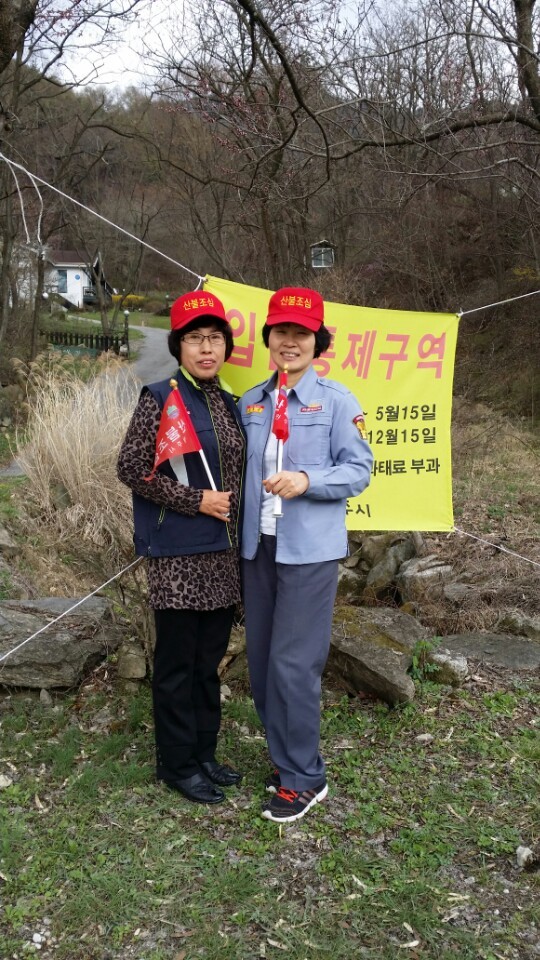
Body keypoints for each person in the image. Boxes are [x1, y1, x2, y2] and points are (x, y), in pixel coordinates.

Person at [238, 286, 373, 823]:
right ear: (268, 337)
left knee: (293, 666)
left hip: (308, 552)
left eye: (301, 333)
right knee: (261, 663)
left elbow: (358, 470)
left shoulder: (337, 401)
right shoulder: (253, 401)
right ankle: (285, 760)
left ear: (318, 342)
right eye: (281, 332)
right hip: (258, 547)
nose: (289, 342)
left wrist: (307, 480)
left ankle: (305, 777)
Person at [117, 291, 245, 805]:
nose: (206, 349)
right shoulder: (159, 397)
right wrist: (196, 500)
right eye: (195, 339)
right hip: (178, 559)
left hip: (223, 555)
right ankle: (176, 763)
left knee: (207, 664)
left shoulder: (229, 402)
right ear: (178, 346)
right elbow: (131, 467)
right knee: (176, 666)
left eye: (215, 339)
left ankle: (204, 753)